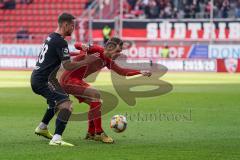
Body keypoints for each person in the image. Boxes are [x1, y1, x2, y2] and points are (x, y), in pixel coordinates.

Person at [58, 37, 152, 143]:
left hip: (76, 81)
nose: (118, 54)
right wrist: (82, 46)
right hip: (69, 80)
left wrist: (140, 72)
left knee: (95, 103)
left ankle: (91, 133)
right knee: (96, 95)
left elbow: (121, 71)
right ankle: (99, 133)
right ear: (110, 47)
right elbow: (76, 45)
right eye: (117, 51)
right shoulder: (97, 50)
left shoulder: (107, 60)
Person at [31, 12, 98, 147]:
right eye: (72, 26)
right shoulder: (60, 41)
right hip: (43, 80)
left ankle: (42, 128)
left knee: (56, 101)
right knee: (66, 105)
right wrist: (86, 61)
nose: (73, 29)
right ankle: (56, 139)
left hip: (42, 78)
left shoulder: (52, 37)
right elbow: (67, 65)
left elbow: (61, 56)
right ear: (65, 24)